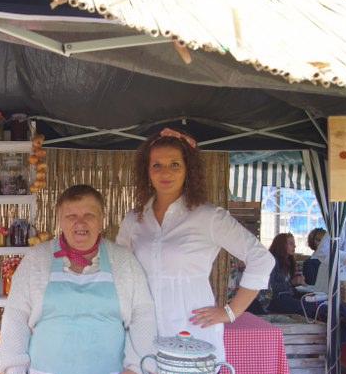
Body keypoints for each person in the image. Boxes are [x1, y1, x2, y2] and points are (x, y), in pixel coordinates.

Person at [116, 128, 274, 361]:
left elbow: (261, 258)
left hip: (192, 331)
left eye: (175, 165)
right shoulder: (134, 219)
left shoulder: (208, 217)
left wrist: (231, 311)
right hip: (143, 332)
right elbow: (120, 268)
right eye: (157, 165)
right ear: (146, 170)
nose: (165, 172)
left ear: (188, 169)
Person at [0, 185, 157, 374]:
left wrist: (138, 369)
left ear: (101, 220)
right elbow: (15, 316)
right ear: (60, 220)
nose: (80, 223)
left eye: (89, 215)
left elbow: (143, 315)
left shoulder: (123, 261)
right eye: (71, 216)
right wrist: (14, 371)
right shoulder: (36, 259)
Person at [261, 233, 305, 314]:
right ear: (281, 245)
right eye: (291, 243)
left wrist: (297, 283)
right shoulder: (272, 261)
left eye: (294, 243)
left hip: (286, 295)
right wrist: (291, 283)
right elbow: (270, 287)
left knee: (310, 300)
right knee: (306, 307)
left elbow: (287, 285)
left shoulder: (288, 261)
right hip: (273, 300)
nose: (295, 246)